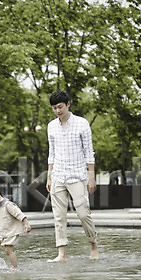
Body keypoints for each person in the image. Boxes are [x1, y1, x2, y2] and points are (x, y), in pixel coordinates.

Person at [46, 90, 98, 262]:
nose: (57, 111)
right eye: (54, 108)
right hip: (58, 176)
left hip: (77, 175)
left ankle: (93, 245)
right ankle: (61, 253)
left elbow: (89, 151)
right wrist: (49, 176)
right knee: (59, 216)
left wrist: (91, 177)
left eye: (60, 107)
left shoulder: (82, 124)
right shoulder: (51, 126)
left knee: (83, 213)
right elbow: (51, 153)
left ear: (68, 104)